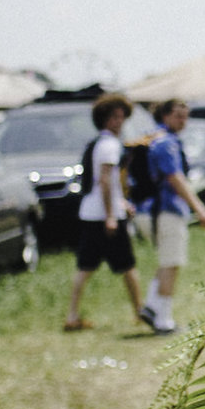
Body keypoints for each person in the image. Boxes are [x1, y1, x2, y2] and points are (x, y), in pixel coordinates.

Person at [63, 93, 145, 333]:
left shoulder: (98, 143)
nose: (119, 122)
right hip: (104, 216)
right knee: (127, 265)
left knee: (85, 267)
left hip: (91, 212)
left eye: (122, 117)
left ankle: (72, 315)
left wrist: (121, 204)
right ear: (104, 119)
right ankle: (139, 311)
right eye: (114, 117)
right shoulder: (110, 145)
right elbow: (106, 182)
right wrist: (111, 214)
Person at [135, 98, 205, 333]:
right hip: (165, 210)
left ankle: (151, 306)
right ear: (165, 115)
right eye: (179, 115)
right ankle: (163, 319)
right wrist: (199, 208)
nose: (183, 121)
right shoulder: (166, 144)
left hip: (148, 210)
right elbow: (175, 178)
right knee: (172, 263)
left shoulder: (152, 139)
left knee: (166, 261)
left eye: (186, 115)